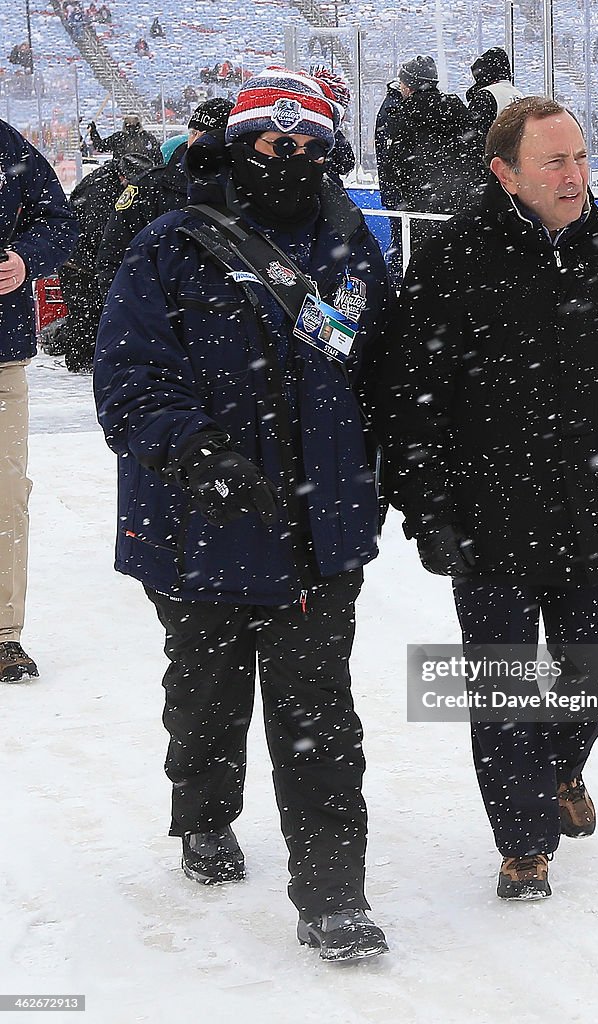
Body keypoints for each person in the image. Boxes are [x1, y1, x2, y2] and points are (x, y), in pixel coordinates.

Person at [94, 66, 392, 962]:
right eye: (273, 141)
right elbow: (130, 376)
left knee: (320, 714)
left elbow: (385, 372)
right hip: (201, 526)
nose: (290, 158)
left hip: (319, 530)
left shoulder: (352, 245)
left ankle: (333, 891)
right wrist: (195, 454)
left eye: (307, 145)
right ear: (238, 144)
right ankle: (203, 814)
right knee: (206, 694)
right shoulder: (172, 244)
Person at [376, 97, 598, 901]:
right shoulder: (449, 258)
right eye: (555, 162)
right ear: (504, 172)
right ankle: (523, 843)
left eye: (580, 158)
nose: (575, 176)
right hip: (491, 517)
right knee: (505, 689)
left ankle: (559, 768)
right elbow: (413, 397)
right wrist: (429, 509)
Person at [0, 119, 78, 682]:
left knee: (5, 496)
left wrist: (25, 258)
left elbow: (60, 223)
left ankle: (4, 634)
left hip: (1, 354)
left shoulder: (5, 145)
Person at [97, 97, 232, 293]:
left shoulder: (246, 187)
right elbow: (114, 257)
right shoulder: (149, 188)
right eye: (194, 133)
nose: (199, 141)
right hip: (161, 311)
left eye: (211, 135)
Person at [60, 149, 160, 373]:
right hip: (78, 262)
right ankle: (80, 364)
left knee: (96, 314)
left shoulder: (119, 182)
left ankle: (93, 361)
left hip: (90, 258)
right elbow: (103, 238)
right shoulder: (100, 191)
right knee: (85, 316)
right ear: (122, 177)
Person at [379, 54, 485, 250]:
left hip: (420, 210)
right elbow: (477, 152)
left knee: (424, 265)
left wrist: (410, 193)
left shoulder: (403, 114)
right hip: (459, 206)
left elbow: (393, 166)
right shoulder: (456, 108)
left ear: (410, 85)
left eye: (402, 83)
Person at [374, 77, 404, 286]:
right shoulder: (394, 111)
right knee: (401, 240)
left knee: (399, 238)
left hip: (392, 189)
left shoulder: (389, 108)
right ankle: (395, 279)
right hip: (397, 191)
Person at [465, 47, 522, 150]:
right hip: (514, 158)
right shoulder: (518, 95)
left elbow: (472, 135)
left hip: (492, 159)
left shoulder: (486, 95)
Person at [88, 115, 163, 165]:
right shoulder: (148, 138)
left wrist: (93, 131)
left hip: (121, 176)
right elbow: (158, 159)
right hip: (144, 176)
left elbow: (100, 146)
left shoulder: (118, 137)